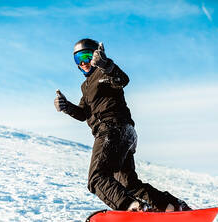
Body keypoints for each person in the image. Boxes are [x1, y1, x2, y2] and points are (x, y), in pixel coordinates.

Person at [54, 38, 191, 212]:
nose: (83, 63)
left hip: (112, 129)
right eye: (78, 59)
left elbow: (122, 79)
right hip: (124, 133)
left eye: (87, 56)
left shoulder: (104, 72)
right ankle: (170, 206)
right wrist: (67, 107)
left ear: (96, 55)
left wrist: (107, 65)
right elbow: (83, 113)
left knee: (96, 178)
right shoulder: (86, 86)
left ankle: (131, 207)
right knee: (128, 184)